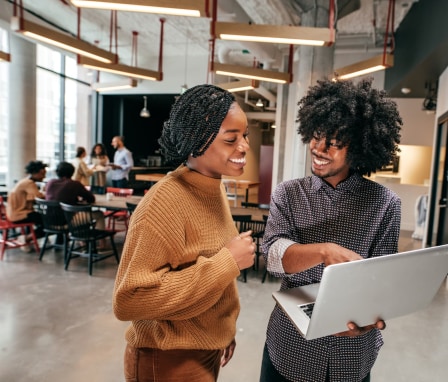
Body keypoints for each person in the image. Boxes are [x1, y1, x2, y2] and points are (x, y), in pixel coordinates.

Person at [260, 78, 403, 382]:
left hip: (351, 358)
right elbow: (273, 258)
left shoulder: (385, 204)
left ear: (361, 147)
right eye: (317, 135)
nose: (319, 148)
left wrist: (366, 319)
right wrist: (324, 252)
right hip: (291, 348)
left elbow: (383, 281)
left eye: (335, 142)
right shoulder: (288, 194)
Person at [113, 84, 256, 382]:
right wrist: (226, 262)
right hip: (167, 359)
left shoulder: (212, 187)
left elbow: (210, 278)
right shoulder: (164, 202)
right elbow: (129, 300)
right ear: (197, 140)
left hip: (204, 348)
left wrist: (222, 332)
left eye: (245, 136)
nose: (243, 146)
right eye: (231, 139)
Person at [46, 161, 107, 244]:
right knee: (99, 214)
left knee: (78, 214)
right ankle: (101, 243)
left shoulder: (50, 182)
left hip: (50, 221)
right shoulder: (74, 184)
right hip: (67, 221)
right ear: (72, 173)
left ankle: (81, 241)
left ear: (57, 172)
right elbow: (91, 199)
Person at [6, 160, 47, 251]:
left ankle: (28, 239)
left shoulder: (24, 181)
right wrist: (45, 191)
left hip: (13, 213)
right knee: (48, 223)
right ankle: (26, 238)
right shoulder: (29, 183)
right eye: (43, 173)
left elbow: (30, 197)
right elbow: (39, 197)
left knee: (39, 218)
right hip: (19, 214)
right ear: (38, 172)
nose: (44, 176)